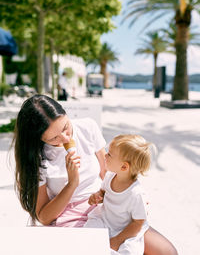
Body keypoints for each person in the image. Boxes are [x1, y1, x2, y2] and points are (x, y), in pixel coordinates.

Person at [13, 94, 178, 255]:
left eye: (65, 127)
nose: (65, 138)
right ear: (39, 139)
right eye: (54, 138)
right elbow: (44, 218)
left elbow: (107, 172)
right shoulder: (36, 157)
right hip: (69, 216)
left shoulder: (87, 127)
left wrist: (129, 196)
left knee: (167, 252)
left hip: (105, 206)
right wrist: (72, 183)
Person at [84, 134, 152, 255]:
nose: (105, 155)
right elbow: (103, 192)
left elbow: (138, 223)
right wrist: (97, 196)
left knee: (130, 251)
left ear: (124, 167)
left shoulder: (136, 194)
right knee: (89, 234)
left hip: (126, 229)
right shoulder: (110, 176)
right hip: (106, 219)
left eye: (109, 154)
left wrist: (117, 240)